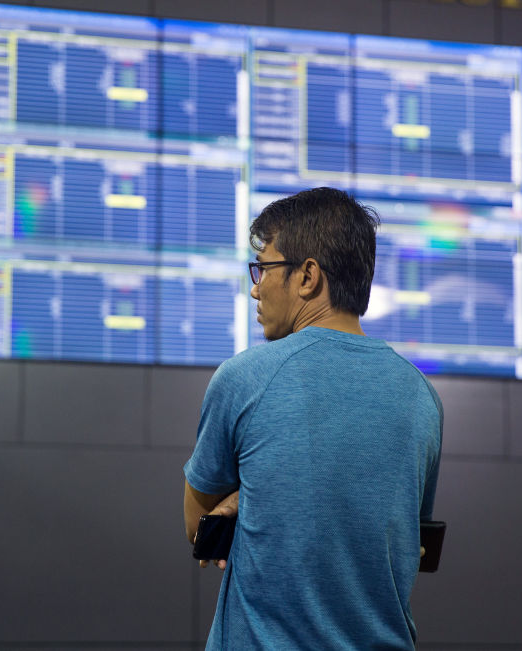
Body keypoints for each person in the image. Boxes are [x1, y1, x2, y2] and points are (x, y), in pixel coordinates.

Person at [183, 186, 443, 650]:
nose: (255, 286)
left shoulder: (245, 378)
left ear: (307, 276)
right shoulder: (422, 397)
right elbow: (409, 540)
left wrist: (251, 496)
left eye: (263, 268)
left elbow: (197, 525)